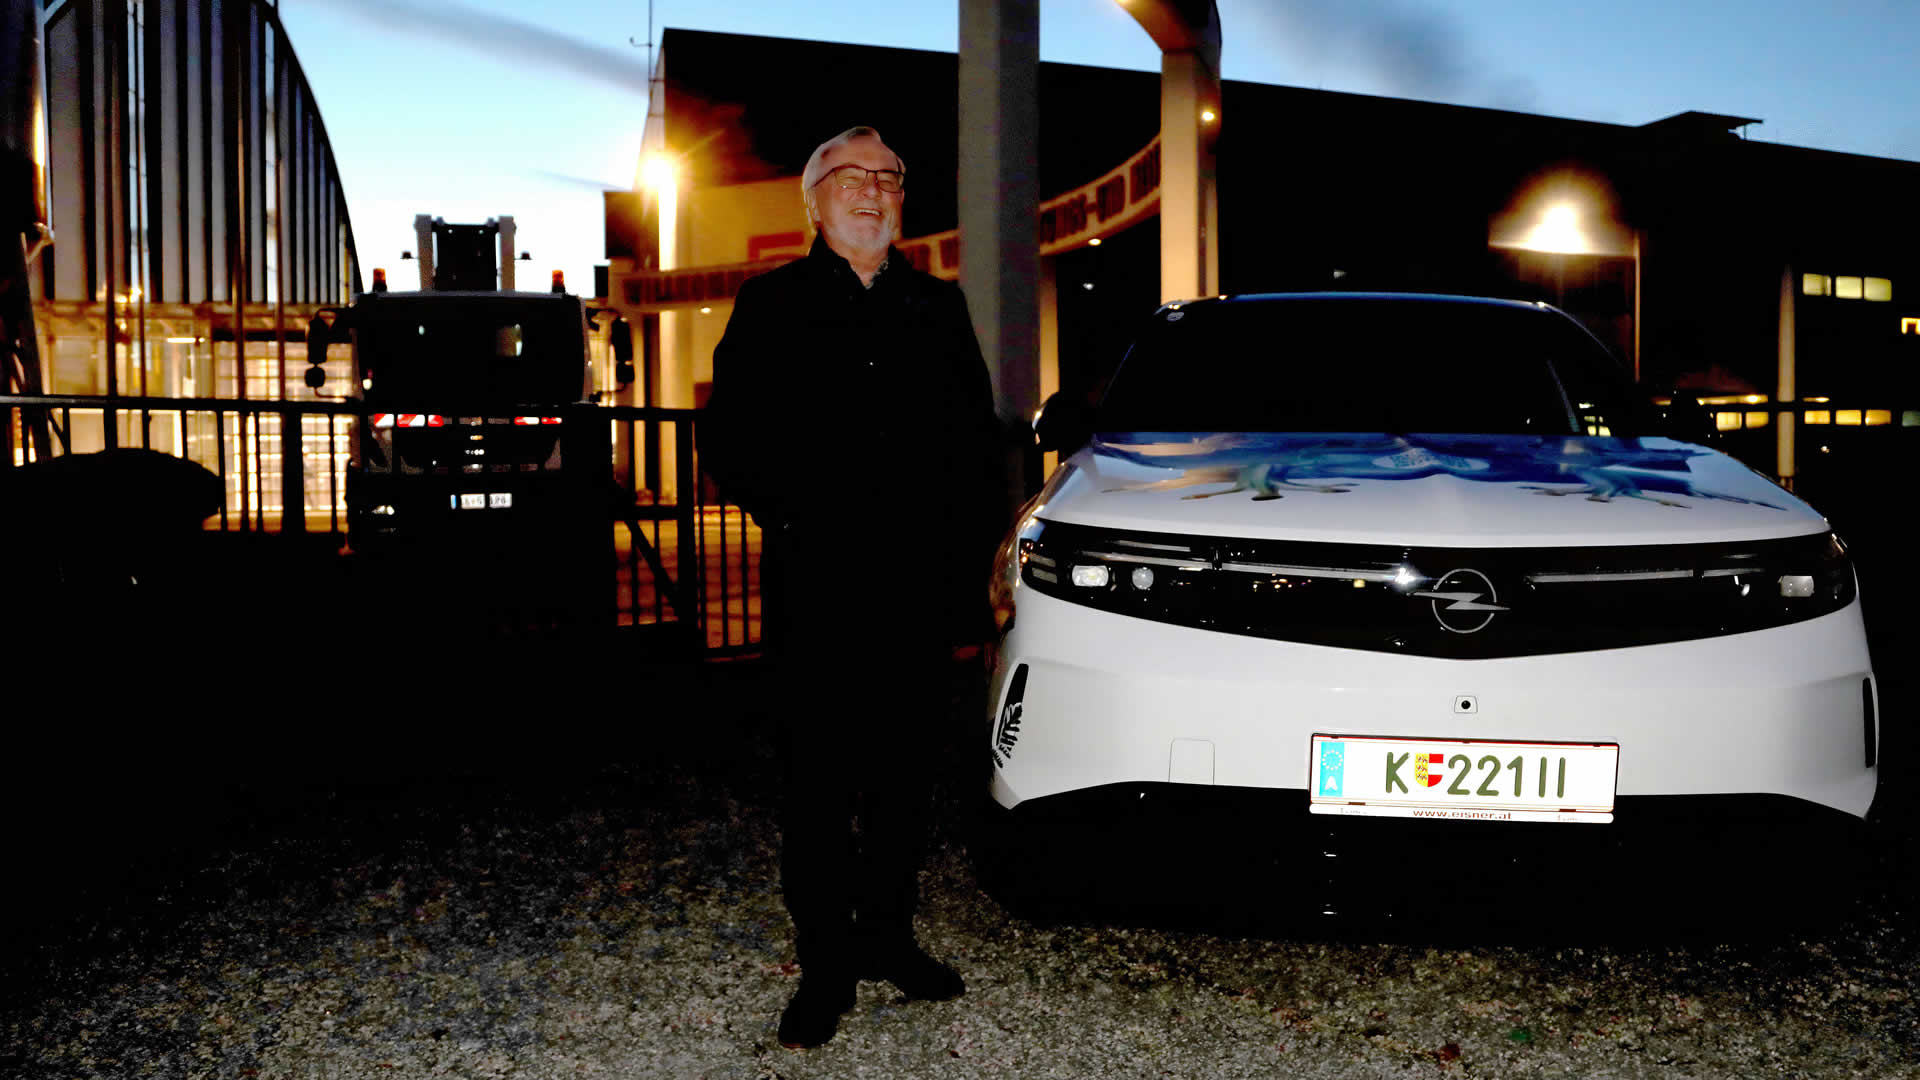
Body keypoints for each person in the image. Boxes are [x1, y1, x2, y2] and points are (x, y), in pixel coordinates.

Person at [700, 126, 1005, 1049]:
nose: (871, 191)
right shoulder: (772, 305)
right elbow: (730, 440)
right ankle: (826, 965)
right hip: (819, 587)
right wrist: (798, 515)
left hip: (917, 591)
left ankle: (889, 938)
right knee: (820, 786)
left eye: (888, 178)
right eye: (850, 177)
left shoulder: (937, 307)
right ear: (814, 200)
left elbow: (975, 451)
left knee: (906, 781)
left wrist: (970, 579)